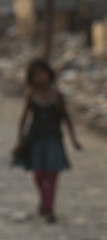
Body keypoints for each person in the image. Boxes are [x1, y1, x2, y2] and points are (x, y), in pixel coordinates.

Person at [12, 58, 82, 223]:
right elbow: (24, 118)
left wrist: (73, 139)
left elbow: (66, 118)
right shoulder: (31, 95)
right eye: (36, 74)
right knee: (38, 174)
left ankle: (49, 208)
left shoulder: (57, 95)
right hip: (35, 139)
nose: (40, 77)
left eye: (42, 73)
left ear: (49, 75)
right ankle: (45, 199)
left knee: (52, 175)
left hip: (53, 140)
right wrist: (19, 140)